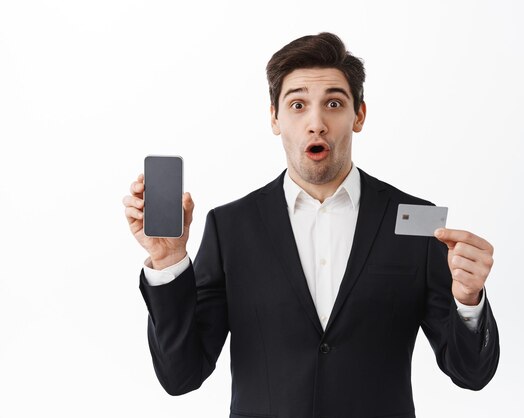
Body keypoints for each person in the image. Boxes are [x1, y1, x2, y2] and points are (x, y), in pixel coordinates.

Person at [123, 32, 499, 418]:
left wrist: (468, 300)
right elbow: (180, 376)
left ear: (359, 115)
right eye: (298, 104)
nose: (316, 123)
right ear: (274, 117)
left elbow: (470, 373)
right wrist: (169, 263)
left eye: (334, 103)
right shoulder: (231, 227)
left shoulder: (418, 223)